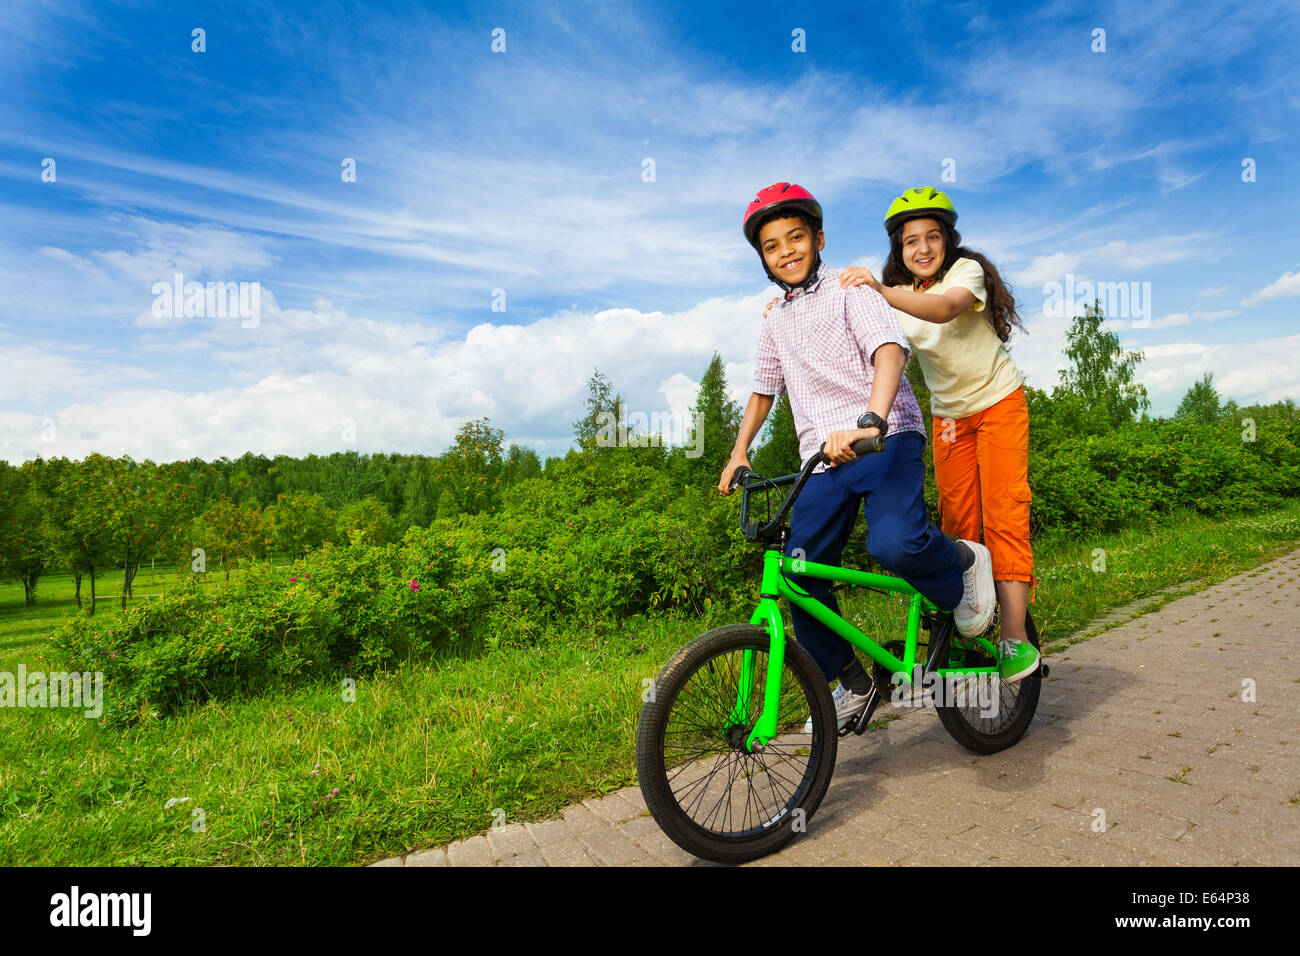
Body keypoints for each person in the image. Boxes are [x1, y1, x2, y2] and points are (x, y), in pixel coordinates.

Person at [719, 182, 997, 729]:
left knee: (893, 542)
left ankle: (962, 564)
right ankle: (851, 681)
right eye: (772, 246)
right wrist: (737, 452)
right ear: (763, 260)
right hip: (821, 458)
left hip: (885, 438)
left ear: (818, 239)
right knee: (797, 573)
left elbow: (889, 351)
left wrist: (871, 418)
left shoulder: (852, 289)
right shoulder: (774, 316)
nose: (786, 252)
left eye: (796, 238)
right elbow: (763, 389)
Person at [839, 186, 1039, 682]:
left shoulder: (965, 275)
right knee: (959, 523)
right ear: (898, 250)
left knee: (1004, 513)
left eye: (932, 237)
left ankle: (1015, 639)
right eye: (911, 241)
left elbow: (947, 308)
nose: (923, 248)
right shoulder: (898, 300)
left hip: (998, 403)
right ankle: (964, 628)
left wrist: (883, 292)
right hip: (949, 418)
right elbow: (862, 336)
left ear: (948, 241)